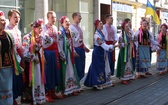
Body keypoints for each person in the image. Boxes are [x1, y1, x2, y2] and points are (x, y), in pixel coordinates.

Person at [84, 19, 117, 90]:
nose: (102, 25)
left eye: (102, 23)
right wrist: (114, 46)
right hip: (98, 53)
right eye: (100, 24)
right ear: (97, 26)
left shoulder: (101, 33)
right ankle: (96, 83)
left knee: (99, 67)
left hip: (102, 53)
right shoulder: (97, 36)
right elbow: (104, 45)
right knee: (97, 68)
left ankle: (100, 82)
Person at [0, 10, 22, 105]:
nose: (3, 22)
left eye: (4, 20)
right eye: (1, 20)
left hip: (8, 67)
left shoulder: (8, 34)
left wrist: (17, 64)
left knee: (8, 87)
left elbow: (13, 51)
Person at [22, 19, 46, 105]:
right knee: (32, 80)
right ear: (34, 28)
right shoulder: (27, 37)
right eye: (39, 28)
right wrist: (33, 58)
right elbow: (24, 52)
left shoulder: (40, 37)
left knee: (38, 79)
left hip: (38, 60)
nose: (41, 30)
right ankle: (32, 100)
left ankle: (38, 98)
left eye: (42, 28)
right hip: (30, 62)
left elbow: (49, 42)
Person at [41, 11, 63, 102]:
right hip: (48, 52)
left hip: (55, 52)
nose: (54, 19)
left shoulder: (55, 27)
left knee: (55, 72)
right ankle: (47, 94)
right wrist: (43, 56)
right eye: (52, 17)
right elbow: (42, 43)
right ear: (48, 18)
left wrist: (60, 53)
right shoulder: (44, 28)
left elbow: (57, 41)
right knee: (49, 73)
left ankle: (53, 92)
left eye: (55, 17)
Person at [5, 9, 24, 105]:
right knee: (11, 80)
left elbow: (20, 46)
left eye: (18, 17)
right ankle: (11, 99)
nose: (17, 19)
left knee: (18, 80)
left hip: (19, 59)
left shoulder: (19, 31)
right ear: (9, 17)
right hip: (11, 59)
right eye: (15, 17)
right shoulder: (6, 31)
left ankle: (16, 98)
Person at [58, 16, 80, 96]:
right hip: (65, 55)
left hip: (70, 54)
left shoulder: (69, 32)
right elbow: (59, 46)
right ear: (62, 23)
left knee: (72, 71)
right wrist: (62, 56)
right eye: (65, 22)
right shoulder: (60, 33)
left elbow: (72, 44)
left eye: (68, 21)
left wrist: (74, 51)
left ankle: (72, 88)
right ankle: (65, 90)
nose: (68, 23)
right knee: (65, 72)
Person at [69, 12, 90, 85]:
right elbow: (72, 41)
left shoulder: (79, 28)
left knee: (82, 66)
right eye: (79, 16)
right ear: (74, 17)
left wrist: (84, 47)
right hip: (76, 49)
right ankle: (76, 85)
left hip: (81, 49)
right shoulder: (71, 28)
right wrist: (74, 51)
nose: (80, 18)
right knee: (77, 67)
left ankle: (78, 84)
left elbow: (81, 39)